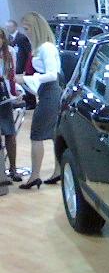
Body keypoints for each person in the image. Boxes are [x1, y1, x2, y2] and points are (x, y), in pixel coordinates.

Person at [15, 12, 62, 190]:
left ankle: (35, 175)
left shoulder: (46, 48)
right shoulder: (42, 47)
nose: (25, 32)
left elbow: (52, 74)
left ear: (35, 28)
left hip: (50, 93)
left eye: (27, 28)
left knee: (37, 134)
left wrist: (26, 79)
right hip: (47, 93)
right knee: (53, 134)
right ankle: (56, 171)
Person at [0, 28, 20, 184]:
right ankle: (1, 172)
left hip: (5, 97)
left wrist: (16, 92)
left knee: (10, 133)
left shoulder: (10, 52)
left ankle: (13, 168)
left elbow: (11, 76)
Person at [5, 19, 35, 110]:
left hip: (22, 65)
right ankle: (24, 101)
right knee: (18, 85)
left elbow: (28, 53)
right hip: (15, 65)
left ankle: (31, 102)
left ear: (15, 27)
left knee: (26, 85)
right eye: (7, 27)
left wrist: (26, 68)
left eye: (9, 27)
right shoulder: (9, 38)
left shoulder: (22, 38)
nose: (8, 29)